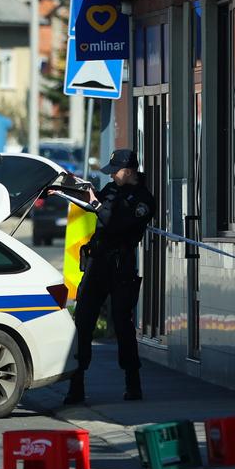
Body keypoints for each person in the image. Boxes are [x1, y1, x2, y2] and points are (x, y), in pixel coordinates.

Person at [65, 148, 155, 405]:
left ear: (130, 170)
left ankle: (133, 383)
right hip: (97, 265)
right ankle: (76, 384)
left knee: (122, 325)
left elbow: (115, 222)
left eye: (116, 171)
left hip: (120, 266)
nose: (112, 175)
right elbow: (92, 203)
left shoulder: (143, 201)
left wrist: (96, 204)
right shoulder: (111, 188)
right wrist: (67, 189)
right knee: (83, 322)